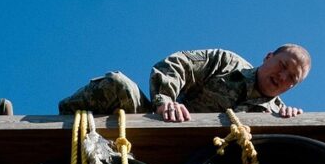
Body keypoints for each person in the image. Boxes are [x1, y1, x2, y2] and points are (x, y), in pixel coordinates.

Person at [57, 45, 310, 122]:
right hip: (162, 129)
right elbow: (178, 64)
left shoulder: (277, 114)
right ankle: (54, 126)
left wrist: (290, 122)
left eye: (292, 79)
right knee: (117, 83)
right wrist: (165, 100)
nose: (283, 77)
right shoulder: (226, 63)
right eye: (283, 66)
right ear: (268, 57)